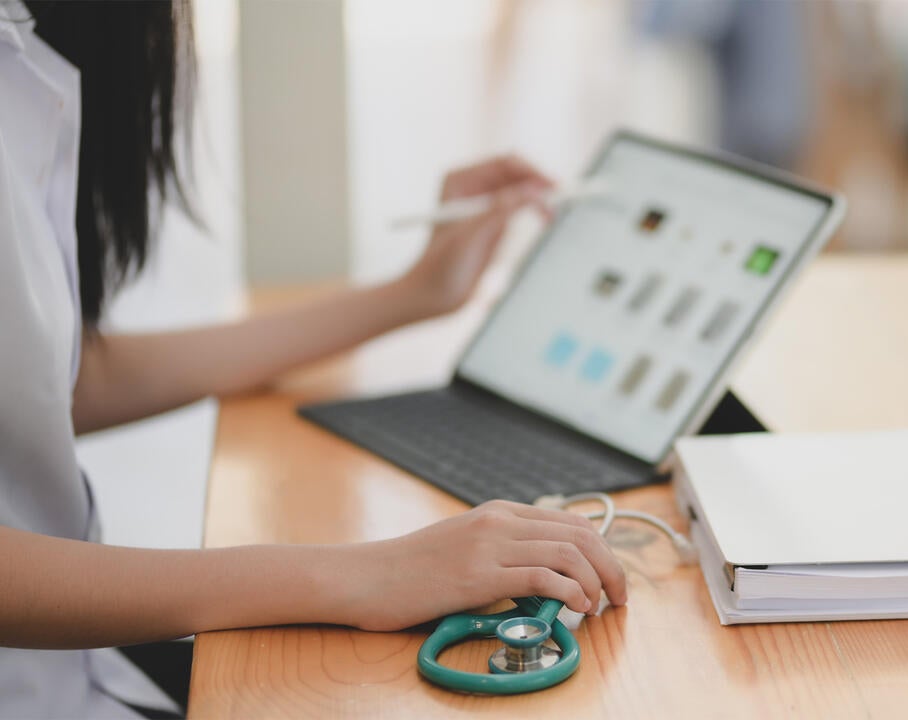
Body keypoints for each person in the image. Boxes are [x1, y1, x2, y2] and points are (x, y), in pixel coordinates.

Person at [0, 1, 627, 717]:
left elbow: (63, 384)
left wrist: (415, 293)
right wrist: (368, 574)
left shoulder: (22, 50)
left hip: (80, 675)